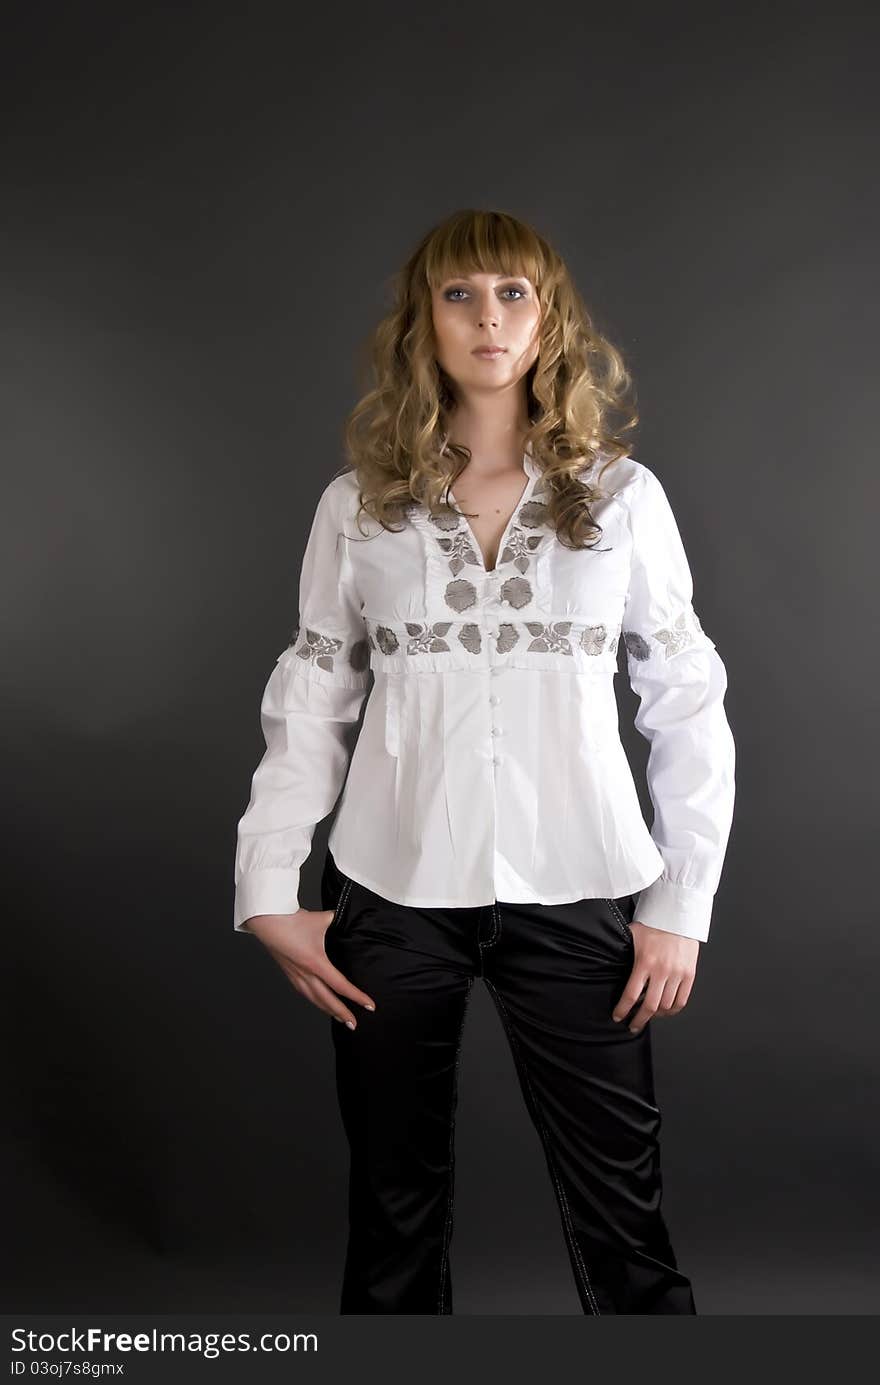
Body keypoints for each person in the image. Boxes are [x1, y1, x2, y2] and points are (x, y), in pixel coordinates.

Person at [232, 208, 736, 1315]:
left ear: (548, 316)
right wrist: (268, 882)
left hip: (582, 882)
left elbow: (687, 699)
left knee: (624, 1217)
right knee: (392, 1207)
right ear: (424, 319)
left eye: (513, 291)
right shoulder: (359, 504)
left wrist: (679, 897)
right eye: (459, 294)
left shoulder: (621, 497)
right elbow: (313, 692)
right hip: (392, 887)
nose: (488, 316)